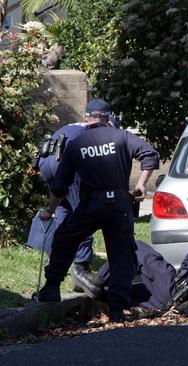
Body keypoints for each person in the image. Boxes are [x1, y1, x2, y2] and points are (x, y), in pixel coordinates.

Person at [36, 99, 160, 322]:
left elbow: (60, 185)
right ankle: (117, 310)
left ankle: (51, 288)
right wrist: (141, 184)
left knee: (65, 238)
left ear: (86, 118)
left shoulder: (76, 143)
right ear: (108, 118)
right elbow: (150, 154)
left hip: (91, 205)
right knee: (121, 255)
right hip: (120, 207)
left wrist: (50, 210)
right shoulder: (122, 137)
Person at [34, 107, 120, 294]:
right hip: (63, 163)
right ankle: (81, 268)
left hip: (46, 163)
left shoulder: (79, 125)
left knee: (64, 215)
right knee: (83, 213)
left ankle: (55, 260)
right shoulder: (97, 132)